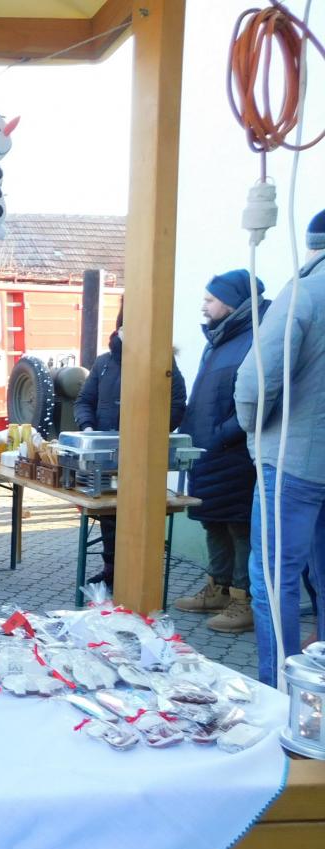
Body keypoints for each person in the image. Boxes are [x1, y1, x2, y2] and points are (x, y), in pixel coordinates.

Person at [234, 207, 325, 687]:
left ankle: (281, 695)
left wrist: (255, 433)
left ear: (313, 245)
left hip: (293, 462)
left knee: (274, 581)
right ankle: (319, 698)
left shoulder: (303, 291)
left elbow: (255, 382)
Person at [173, 270, 268, 633]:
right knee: (212, 520)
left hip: (234, 454)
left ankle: (244, 600)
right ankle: (218, 588)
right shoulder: (220, 339)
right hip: (208, 452)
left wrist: (220, 436)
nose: (203, 306)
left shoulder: (256, 337)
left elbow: (257, 399)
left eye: (210, 299)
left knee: (239, 526)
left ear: (232, 303)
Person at [73, 308, 187, 588]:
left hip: (144, 457)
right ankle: (111, 570)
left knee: (140, 515)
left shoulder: (162, 362)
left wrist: (152, 435)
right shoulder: (104, 363)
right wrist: (88, 428)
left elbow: (176, 405)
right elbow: (84, 401)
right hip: (107, 457)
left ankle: (139, 576)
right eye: (124, 328)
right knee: (108, 515)